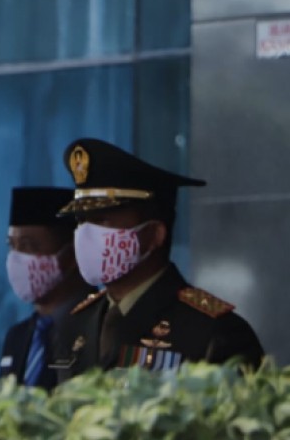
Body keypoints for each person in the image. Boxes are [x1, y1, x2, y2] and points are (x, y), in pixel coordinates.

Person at [47, 138, 263, 383]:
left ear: (153, 235)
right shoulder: (74, 322)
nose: (85, 234)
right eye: (81, 220)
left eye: (102, 221)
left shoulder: (213, 331)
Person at [0, 186, 88, 389]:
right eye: (12, 246)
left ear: (72, 255)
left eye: (29, 246)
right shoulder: (17, 337)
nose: (17, 259)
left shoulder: (100, 328)